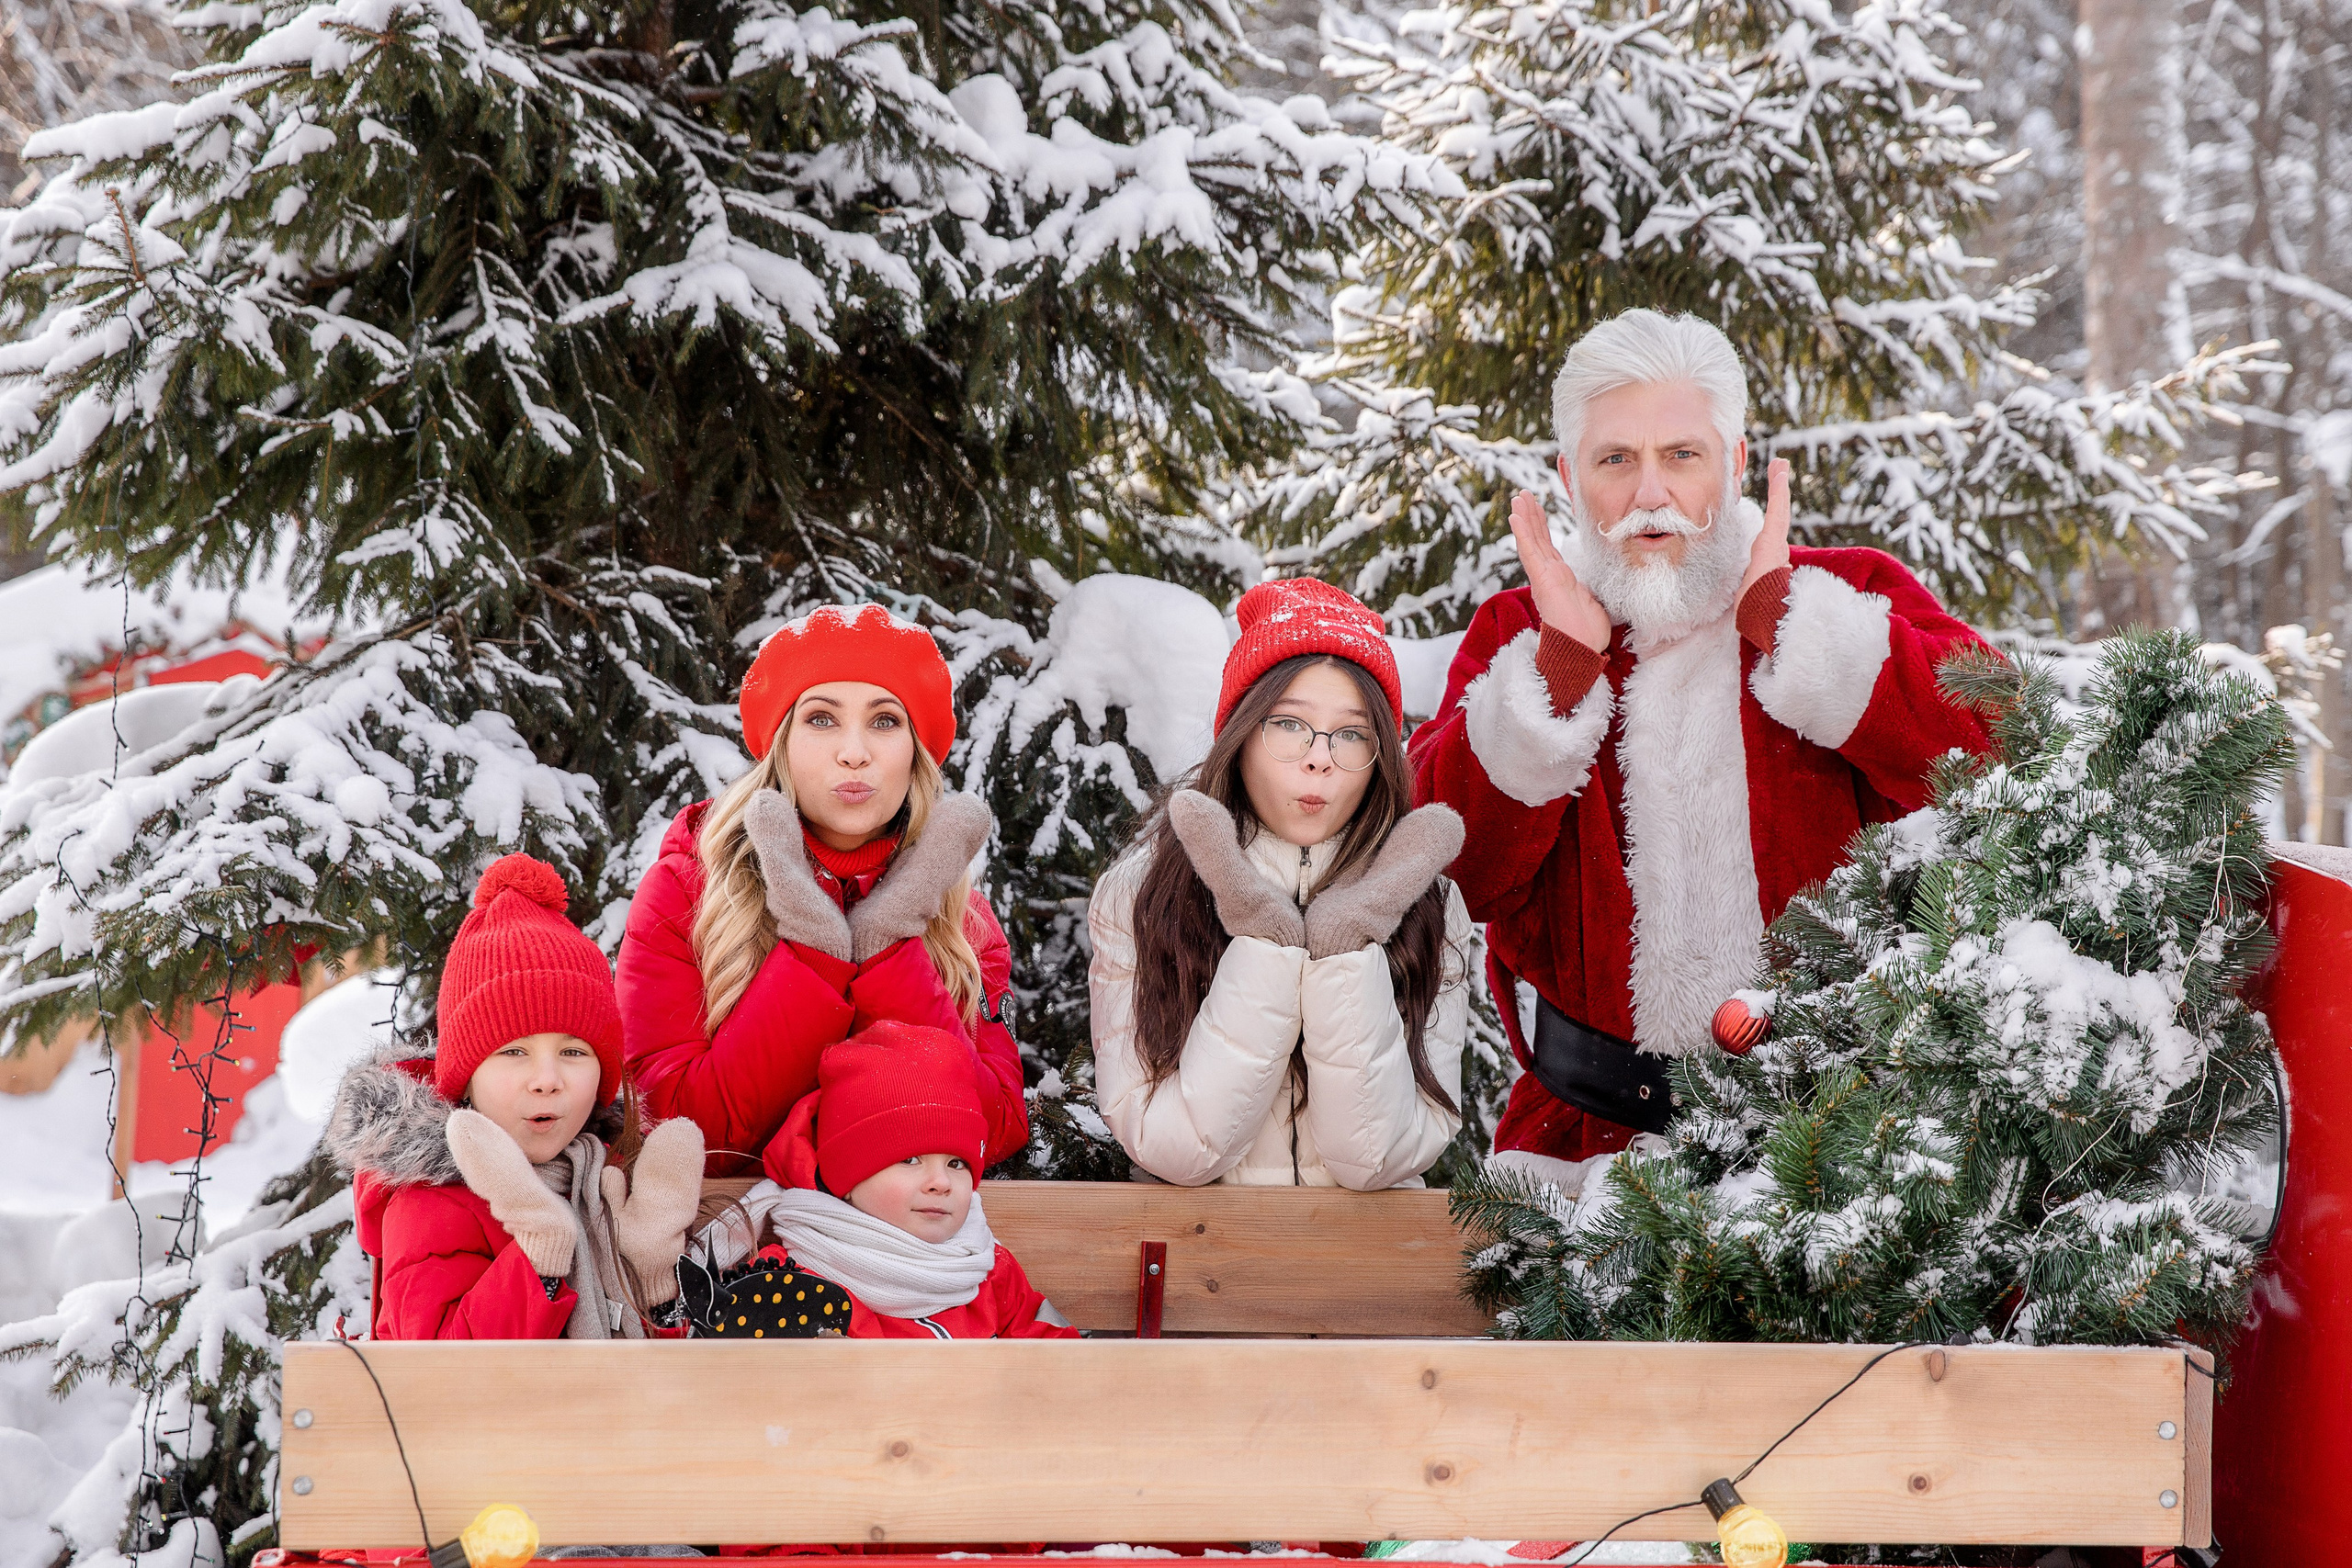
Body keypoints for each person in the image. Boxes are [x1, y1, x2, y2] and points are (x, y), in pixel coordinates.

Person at [1409, 309, 1995, 1191]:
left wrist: (1792, 626)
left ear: (1737, 460)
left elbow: (2004, 751)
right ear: (1570, 477)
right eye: (1616, 460)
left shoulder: (1848, 594)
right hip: (1583, 1165)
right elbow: (1453, 867)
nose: (1651, 493)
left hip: (1844, 1163)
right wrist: (1557, 676)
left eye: (1681, 455)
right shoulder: (1521, 635)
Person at [1088, 577, 1475, 1189]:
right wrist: (1265, 940)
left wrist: (1348, 941)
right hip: (1204, 1266)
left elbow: (1379, 1159)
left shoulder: (1429, 903)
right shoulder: (1142, 891)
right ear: (1239, 735)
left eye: (1351, 733)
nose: (1319, 757)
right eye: (1289, 724)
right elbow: (1177, 1146)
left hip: (1368, 1275)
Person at [617, 604, 1027, 1180]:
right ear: (781, 743)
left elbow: (996, 1125)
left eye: (885, 720)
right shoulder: (689, 890)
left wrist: (891, 945)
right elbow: (671, 1130)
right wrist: (812, 954)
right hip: (737, 1257)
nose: (854, 751)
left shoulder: (962, 918)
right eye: (821, 719)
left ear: (916, 751)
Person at [327, 855, 706, 1339]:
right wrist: (539, 1255)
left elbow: (667, 1392)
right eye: (513, 1052)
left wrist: (655, 1280)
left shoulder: (604, 1180)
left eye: (573, 1051)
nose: (546, 1079)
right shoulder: (432, 1204)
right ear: (465, 1079)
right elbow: (441, 1381)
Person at [680, 1022, 1079, 1339]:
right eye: (909, 1159)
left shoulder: (988, 1270)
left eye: (957, 1163)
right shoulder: (793, 1284)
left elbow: (1062, 1362)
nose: (940, 1182)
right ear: (848, 1179)